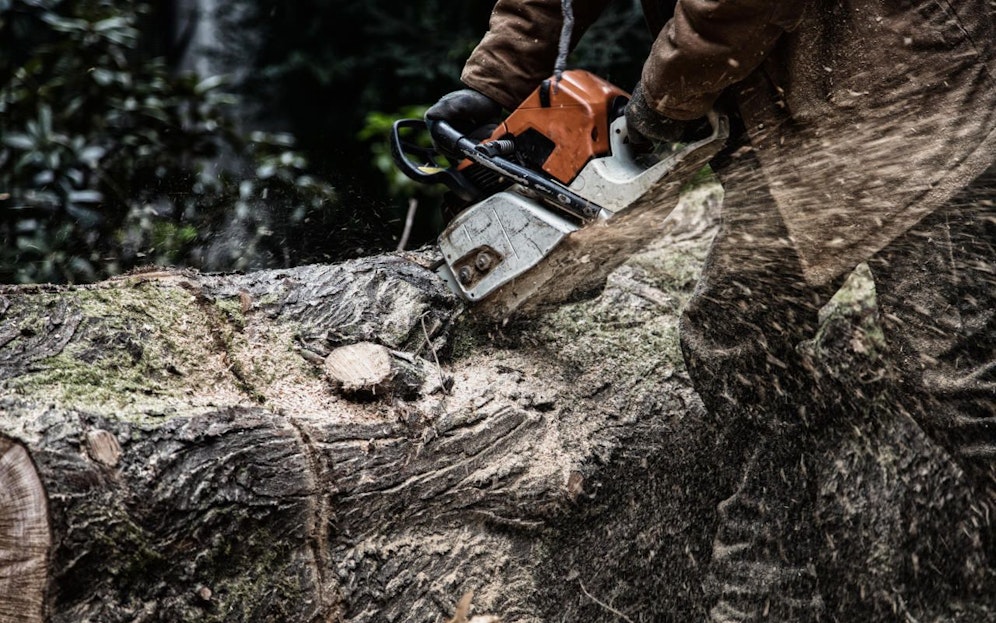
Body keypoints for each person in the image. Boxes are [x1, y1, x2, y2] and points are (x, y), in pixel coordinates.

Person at [426, 1, 996, 620]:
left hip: (916, 97)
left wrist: (659, 103)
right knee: (737, 343)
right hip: (794, 125)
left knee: (962, 382)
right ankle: (767, 592)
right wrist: (495, 83)